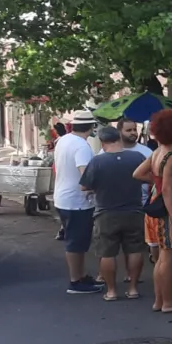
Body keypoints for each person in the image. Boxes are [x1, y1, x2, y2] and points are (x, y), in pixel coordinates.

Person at [136, 109, 172, 314]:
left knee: (162, 257)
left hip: (158, 203)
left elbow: (138, 174)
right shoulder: (171, 157)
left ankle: (160, 301)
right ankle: (169, 302)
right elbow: (169, 191)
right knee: (168, 257)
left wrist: (157, 182)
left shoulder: (157, 152)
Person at [80, 126, 147, 301]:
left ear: (102, 143)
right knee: (134, 250)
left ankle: (111, 291)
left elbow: (84, 186)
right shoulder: (137, 157)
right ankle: (132, 289)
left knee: (107, 252)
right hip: (134, 210)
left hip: (106, 213)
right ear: (119, 138)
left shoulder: (97, 161)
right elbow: (149, 177)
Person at [54, 110, 102, 294]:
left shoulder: (64, 140)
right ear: (91, 127)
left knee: (77, 241)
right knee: (76, 242)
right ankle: (75, 281)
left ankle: (80, 276)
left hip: (63, 197)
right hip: (77, 201)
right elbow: (86, 176)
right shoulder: (82, 146)